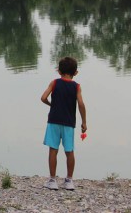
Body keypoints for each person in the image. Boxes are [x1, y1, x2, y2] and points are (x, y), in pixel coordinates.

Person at [40, 56, 87, 190]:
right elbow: (81, 104)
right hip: (69, 123)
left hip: (54, 121)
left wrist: (51, 105)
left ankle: (52, 180)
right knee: (69, 151)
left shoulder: (54, 83)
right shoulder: (76, 87)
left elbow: (43, 97)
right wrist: (84, 122)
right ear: (76, 73)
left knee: (53, 150)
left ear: (59, 71)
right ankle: (69, 181)